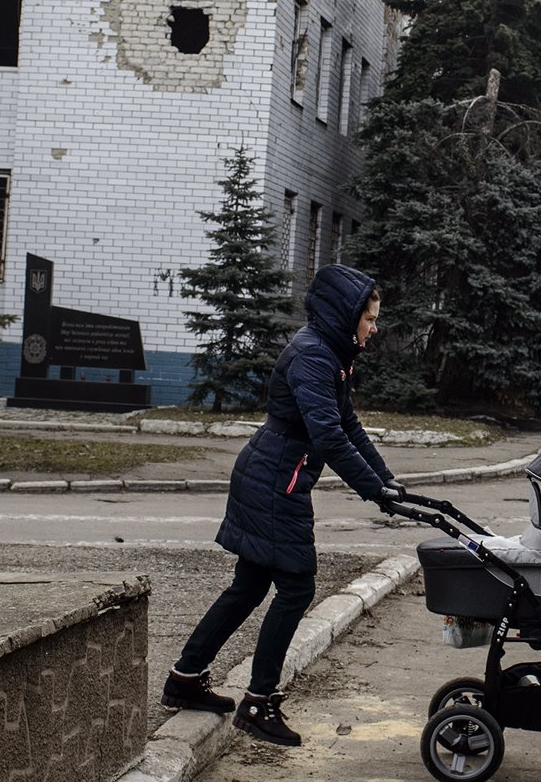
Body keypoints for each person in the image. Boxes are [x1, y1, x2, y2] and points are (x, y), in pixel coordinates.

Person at [162, 263, 401, 747]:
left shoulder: (329, 354)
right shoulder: (314, 357)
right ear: (346, 313)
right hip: (276, 483)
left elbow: (349, 425)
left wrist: (388, 482)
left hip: (274, 476)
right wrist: (373, 491)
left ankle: (185, 679)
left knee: (249, 586)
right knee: (295, 589)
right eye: (370, 318)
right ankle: (258, 703)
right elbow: (330, 437)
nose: (374, 328)